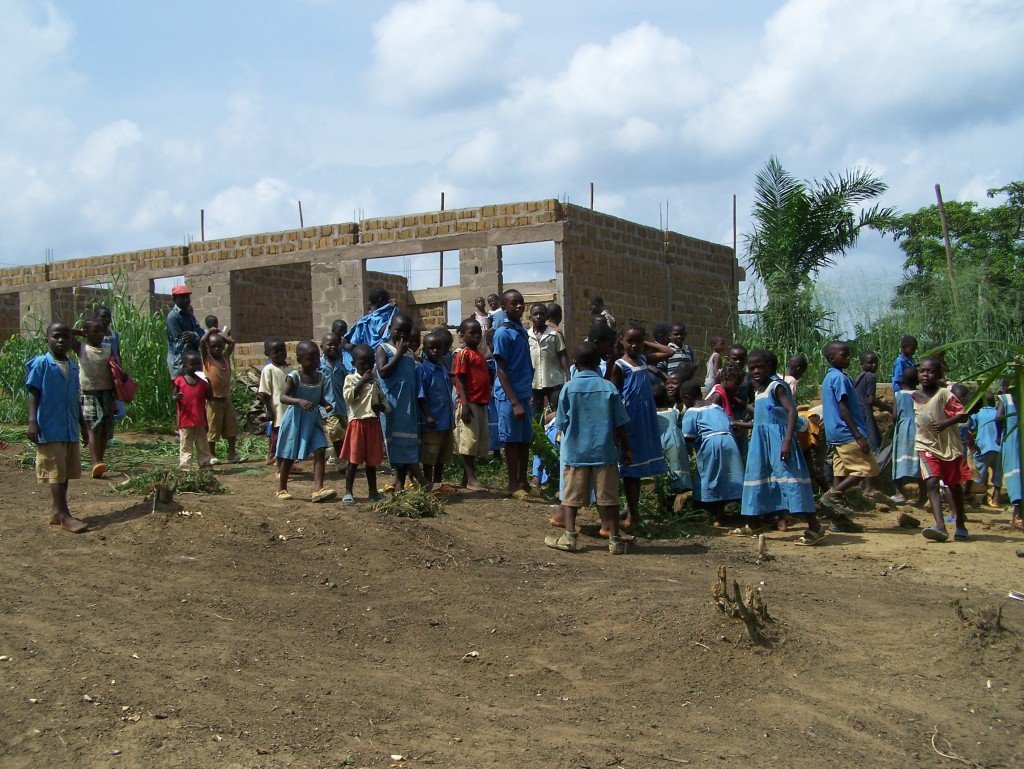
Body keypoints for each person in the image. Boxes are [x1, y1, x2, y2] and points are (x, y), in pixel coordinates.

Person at [545, 342, 632, 554]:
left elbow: (562, 422)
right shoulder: (608, 387)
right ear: (597, 364)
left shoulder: (569, 388)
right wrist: (627, 448)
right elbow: (619, 422)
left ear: (575, 362)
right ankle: (615, 540)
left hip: (576, 452)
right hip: (604, 452)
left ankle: (570, 537)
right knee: (609, 498)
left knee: (571, 497)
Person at [741, 350, 825, 543]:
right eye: (751, 367)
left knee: (790, 479)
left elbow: (792, 411)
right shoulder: (759, 390)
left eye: (759, 367)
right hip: (761, 443)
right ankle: (753, 523)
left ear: (770, 367)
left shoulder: (776, 386)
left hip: (779, 440)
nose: (755, 371)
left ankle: (815, 527)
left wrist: (787, 440)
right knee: (757, 477)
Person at [609, 322, 673, 530]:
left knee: (639, 466)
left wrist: (645, 340)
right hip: (631, 420)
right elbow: (614, 394)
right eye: (630, 341)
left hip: (646, 419)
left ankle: (633, 512)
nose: (635, 346)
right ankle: (631, 512)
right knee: (630, 469)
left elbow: (669, 351)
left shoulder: (644, 359)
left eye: (638, 342)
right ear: (622, 341)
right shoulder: (620, 365)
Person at [26, 322, 89, 533]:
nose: (61, 340)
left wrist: (82, 426)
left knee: (65, 472)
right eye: (56, 337)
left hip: (69, 427)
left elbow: (75, 400)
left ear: (72, 341)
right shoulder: (42, 364)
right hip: (49, 427)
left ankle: (56, 510)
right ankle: (64, 515)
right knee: (55, 473)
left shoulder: (72, 366)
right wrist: (32, 421)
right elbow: (33, 393)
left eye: (65, 337)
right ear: (47, 341)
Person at [912, 357, 970, 542]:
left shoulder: (944, 394)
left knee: (953, 486)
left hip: (948, 447)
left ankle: (960, 523)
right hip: (925, 445)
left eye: (930, 371)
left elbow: (962, 414)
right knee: (932, 482)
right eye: (922, 371)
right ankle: (940, 526)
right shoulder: (914, 396)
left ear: (938, 375)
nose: (925, 375)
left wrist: (946, 423)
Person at [819, 341, 881, 514]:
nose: (848, 358)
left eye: (848, 354)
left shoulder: (829, 377)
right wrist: (859, 436)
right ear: (831, 358)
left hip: (835, 434)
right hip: (847, 433)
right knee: (867, 468)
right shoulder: (839, 378)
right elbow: (843, 407)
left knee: (840, 473)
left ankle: (838, 518)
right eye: (844, 355)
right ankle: (832, 496)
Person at [275, 340, 337, 503]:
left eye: (317, 358)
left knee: (320, 449)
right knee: (289, 455)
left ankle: (318, 489)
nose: (315, 362)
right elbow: (283, 397)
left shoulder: (321, 377)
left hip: (313, 420)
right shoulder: (294, 377)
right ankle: (282, 488)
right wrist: (298, 401)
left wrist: (326, 404)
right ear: (299, 360)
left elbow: (319, 396)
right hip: (296, 420)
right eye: (311, 359)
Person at [681, 377, 744, 528]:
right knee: (726, 476)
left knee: (709, 476)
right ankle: (723, 514)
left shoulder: (692, 412)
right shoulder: (716, 407)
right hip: (729, 441)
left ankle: (712, 515)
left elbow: (688, 436)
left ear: (686, 398)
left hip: (711, 443)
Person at [492, 289, 536, 499]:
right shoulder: (503, 333)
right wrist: (514, 401)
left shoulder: (520, 329)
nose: (519, 306)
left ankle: (523, 481)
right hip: (509, 396)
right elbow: (501, 370)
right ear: (504, 307)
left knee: (525, 439)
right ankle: (512, 483)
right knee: (511, 440)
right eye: (513, 303)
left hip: (523, 393)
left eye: (521, 302)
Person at [377, 313, 426, 492]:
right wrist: (398, 354)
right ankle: (421, 480)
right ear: (390, 329)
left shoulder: (410, 354)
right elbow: (382, 372)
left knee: (409, 442)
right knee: (397, 444)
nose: (402, 335)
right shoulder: (383, 349)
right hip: (393, 406)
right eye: (398, 330)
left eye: (406, 332)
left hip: (409, 407)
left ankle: (400, 483)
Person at [339, 344, 389, 503]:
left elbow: (384, 401)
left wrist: (381, 407)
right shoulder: (350, 379)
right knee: (353, 461)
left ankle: (373, 492)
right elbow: (348, 397)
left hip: (373, 424)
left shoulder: (374, 381)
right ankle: (348, 492)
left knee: (371, 462)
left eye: (370, 363)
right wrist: (362, 382)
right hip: (357, 424)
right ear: (354, 364)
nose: (367, 367)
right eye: (362, 364)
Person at [70, 319, 115, 478]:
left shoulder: (108, 348)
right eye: (95, 331)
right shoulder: (81, 348)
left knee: (104, 429)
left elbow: (117, 368)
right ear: (86, 333)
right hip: (89, 393)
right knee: (93, 427)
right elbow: (64, 332)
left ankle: (100, 461)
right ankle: (95, 461)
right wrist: (79, 332)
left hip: (107, 393)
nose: (100, 334)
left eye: (102, 331)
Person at [452, 317, 492, 491]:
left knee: (475, 442)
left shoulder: (479, 354)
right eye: (472, 333)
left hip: (481, 403)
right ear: (462, 335)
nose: (476, 336)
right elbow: (459, 378)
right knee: (468, 441)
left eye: (478, 333)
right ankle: (471, 479)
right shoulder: (463, 354)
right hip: (469, 403)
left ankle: (465, 478)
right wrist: (465, 403)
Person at [418, 329, 457, 492]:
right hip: (433, 421)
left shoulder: (442, 368)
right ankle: (428, 484)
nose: (434, 351)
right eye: (430, 348)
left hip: (446, 420)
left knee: (443, 454)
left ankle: (438, 483)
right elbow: (421, 396)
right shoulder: (423, 370)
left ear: (443, 350)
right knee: (430, 455)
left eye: (437, 348)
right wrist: (428, 415)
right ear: (425, 349)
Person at [200, 326, 240, 463]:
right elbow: (201, 343)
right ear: (209, 348)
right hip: (212, 400)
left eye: (219, 346)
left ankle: (232, 453)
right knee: (213, 427)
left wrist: (221, 335)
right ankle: (211, 454)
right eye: (213, 346)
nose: (216, 349)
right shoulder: (208, 359)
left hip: (225, 399)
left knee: (231, 425)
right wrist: (209, 333)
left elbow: (232, 343)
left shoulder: (225, 358)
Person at [172, 350, 213, 470]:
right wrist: (177, 397)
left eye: (198, 364)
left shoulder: (203, 382)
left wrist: (209, 385)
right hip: (185, 420)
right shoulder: (179, 381)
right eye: (192, 364)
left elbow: (209, 397)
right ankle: (185, 467)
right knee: (185, 444)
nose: (196, 367)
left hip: (200, 420)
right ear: (185, 366)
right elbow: (173, 397)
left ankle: (205, 464)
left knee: (203, 444)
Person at [891, 366, 925, 507]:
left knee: (898, 460)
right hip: (918, 429)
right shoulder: (920, 395)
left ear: (902, 380)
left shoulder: (898, 395)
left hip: (903, 429)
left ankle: (900, 493)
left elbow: (894, 416)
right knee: (919, 463)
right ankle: (923, 496)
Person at [258, 338, 294, 470]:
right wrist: (270, 411)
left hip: (290, 411)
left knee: (290, 439)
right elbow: (264, 394)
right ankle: (279, 467)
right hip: (277, 412)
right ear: (268, 354)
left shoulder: (289, 368)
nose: (280, 354)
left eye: (282, 350)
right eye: (276, 352)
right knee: (278, 440)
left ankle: (289, 465)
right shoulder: (269, 369)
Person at [528, 303, 569, 414]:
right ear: (530, 317)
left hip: (553, 380)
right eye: (535, 314)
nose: (538, 317)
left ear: (547, 316)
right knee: (535, 415)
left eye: (541, 314)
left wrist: (568, 375)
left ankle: (556, 432)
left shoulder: (555, 335)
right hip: (534, 382)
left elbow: (562, 355)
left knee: (558, 412)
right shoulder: (527, 336)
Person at [653, 384, 692, 499]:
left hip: (658, 442)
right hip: (674, 442)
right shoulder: (673, 411)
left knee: (662, 469)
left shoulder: (650, 415)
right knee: (678, 465)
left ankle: (662, 494)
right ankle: (680, 492)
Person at [319, 332, 349, 470]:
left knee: (345, 432)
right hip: (326, 406)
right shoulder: (318, 364)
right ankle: (341, 460)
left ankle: (334, 455)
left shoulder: (340, 365)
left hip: (341, 405)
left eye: (335, 345)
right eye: (329, 344)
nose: (332, 347)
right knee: (336, 430)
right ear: (322, 347)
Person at [966, 391, 1002, 507]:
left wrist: (971, 444)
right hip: (999, 449)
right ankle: (996, 499)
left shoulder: (978, 413)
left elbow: (970, 428)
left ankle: (981, 500)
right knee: (997, 475)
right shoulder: (999, 413)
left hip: (982, 448)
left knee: (981, 475)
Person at [996, 379, 1022, 530]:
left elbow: (999, 418)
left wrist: (998, 435)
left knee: (1014, 475)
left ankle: (1017, 514)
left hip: (1011, 439)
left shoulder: (1006, 399)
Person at [165, 284, 203, 377]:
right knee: (181, 389)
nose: (186, 300)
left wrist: (193, 336)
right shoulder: (173, 317)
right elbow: (179, 344)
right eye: (182, 297)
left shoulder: (189, 315)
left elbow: (201, 333)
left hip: (193, 360)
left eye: (187, 297)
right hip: (179, 363)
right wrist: (194, 337)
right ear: (175, 299)